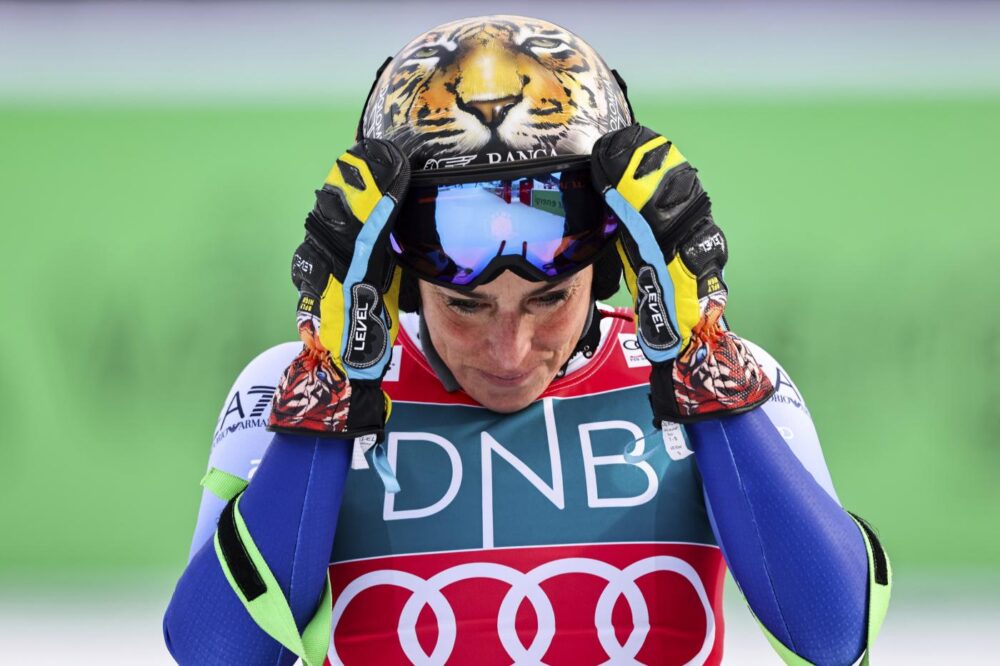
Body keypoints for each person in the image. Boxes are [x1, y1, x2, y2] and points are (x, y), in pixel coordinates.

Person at [163, 15, 891, 666]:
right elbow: (215, 654)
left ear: (608, 267)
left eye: (550, 299)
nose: (510, 351)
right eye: (466, 307)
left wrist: (702, 355)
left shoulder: (730, 378)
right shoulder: (287, 384)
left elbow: (834, 638)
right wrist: (331, 381)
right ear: (397, 276)